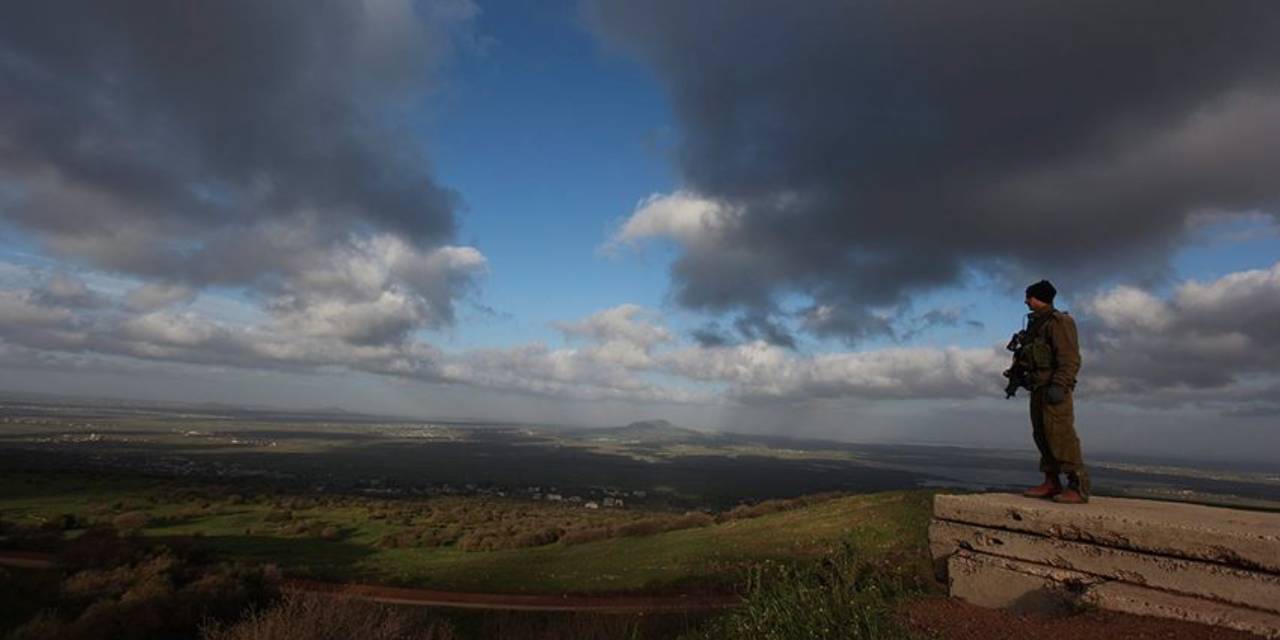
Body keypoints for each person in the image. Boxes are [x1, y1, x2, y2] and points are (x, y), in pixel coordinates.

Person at [1016, 279, 1089, 504]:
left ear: (1040, 297)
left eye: (1029, 296)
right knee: (1042, 435)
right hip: (1038, 387)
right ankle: (1051, 481)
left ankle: (1078, 486)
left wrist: (1060, 385)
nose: (1026, 300)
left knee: (1060, 435)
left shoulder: (1059, 322)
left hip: (1053, 388)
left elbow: (1069, 357)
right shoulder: (1036, 324)